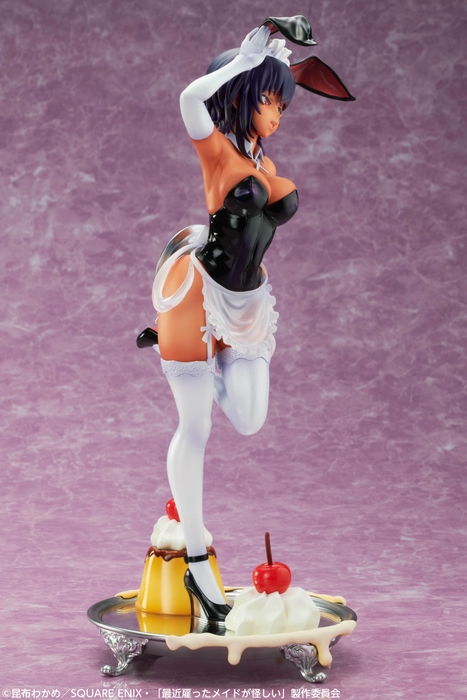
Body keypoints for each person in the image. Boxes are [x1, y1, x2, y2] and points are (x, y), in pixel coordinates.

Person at [137, 17, 354, 623]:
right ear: (239, 95)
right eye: (268, 99)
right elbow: (189, 98)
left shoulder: (262, 157)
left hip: (248, 302)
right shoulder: (216, 151)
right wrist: (243, 61)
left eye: (282, 102)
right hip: (198, 298)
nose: (277, 113)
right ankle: (198, 564)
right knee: (197, 428)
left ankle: (186, 360)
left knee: (251, 419)